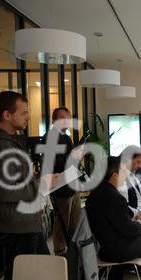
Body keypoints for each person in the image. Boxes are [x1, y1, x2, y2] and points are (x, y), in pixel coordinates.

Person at [0, 91, 56, 280]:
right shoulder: (0, 146)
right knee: (22, 279)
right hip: (17, 223)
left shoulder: (7, 143)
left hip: (23, 221)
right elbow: (5, 189)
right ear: (7, 115)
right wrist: (40, 185)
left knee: (32, 275)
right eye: (24, 112)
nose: (28, 117)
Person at [43, 107, 83, 255]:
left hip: (72, 183)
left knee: (76, 220)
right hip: (60, 186)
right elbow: (55, 164)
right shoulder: (50, 137)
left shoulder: (66, 137)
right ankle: (60, 251)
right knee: (62, 220)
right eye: (62, 118)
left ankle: (75, 250)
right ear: (54, 120)